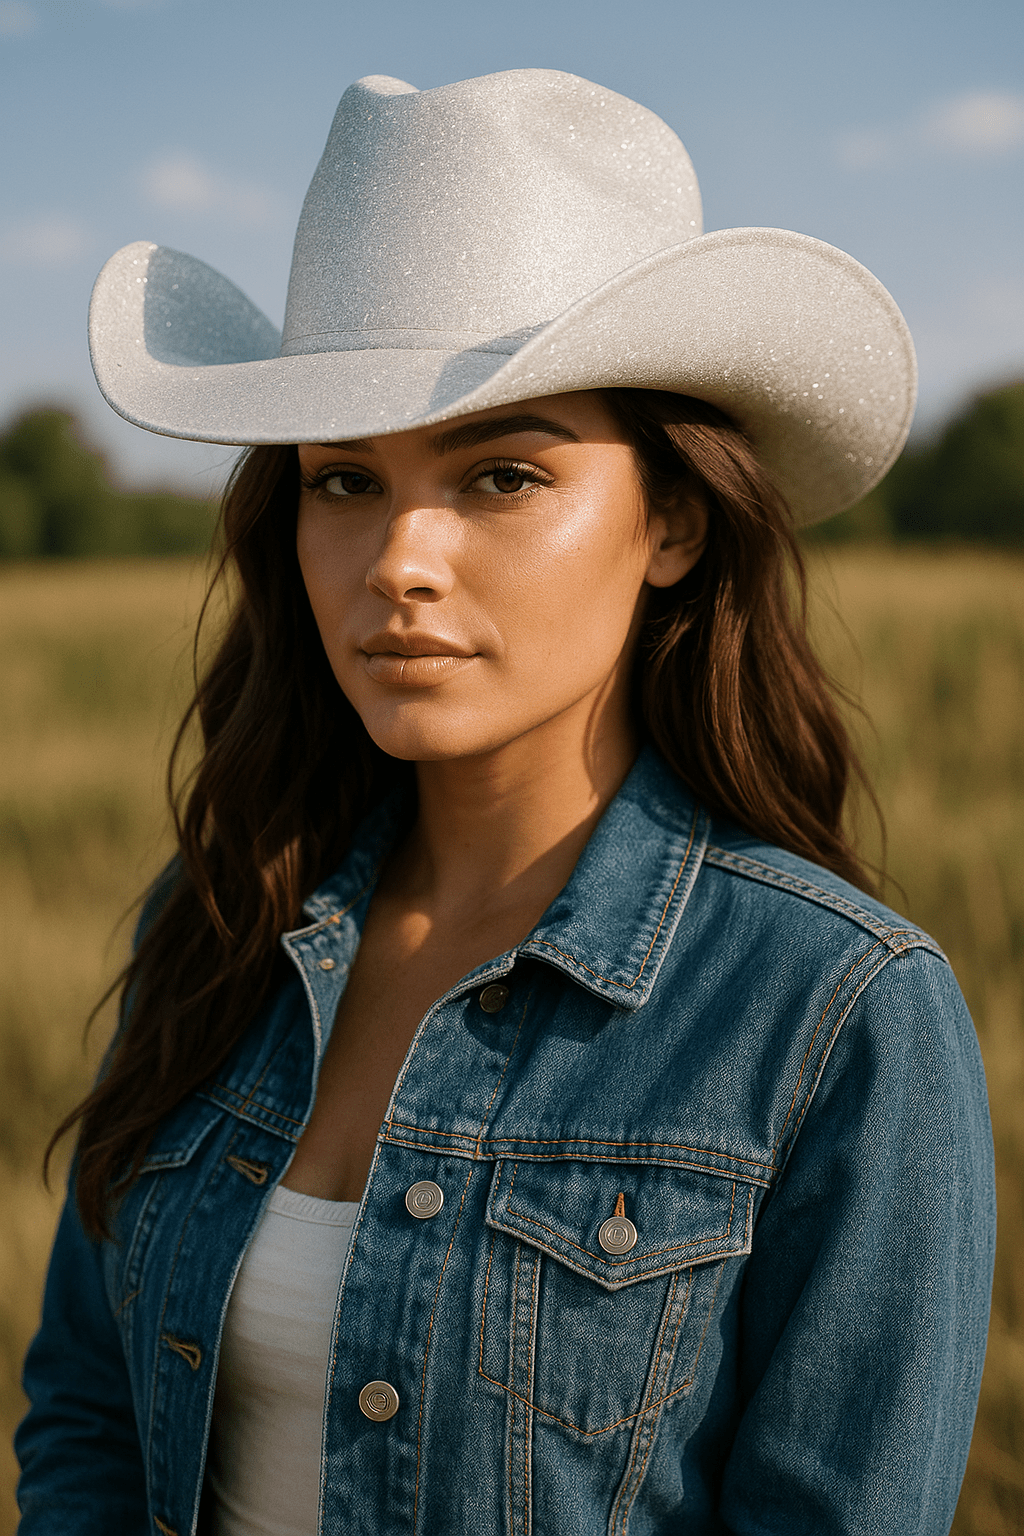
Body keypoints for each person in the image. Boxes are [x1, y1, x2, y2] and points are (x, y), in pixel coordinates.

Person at [16, 69, 994, 1536]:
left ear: (672, 519)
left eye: (503, 475)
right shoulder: (223, 920)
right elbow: (87, 1413)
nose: (399, 560)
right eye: (344, 480)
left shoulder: (834, 1015)